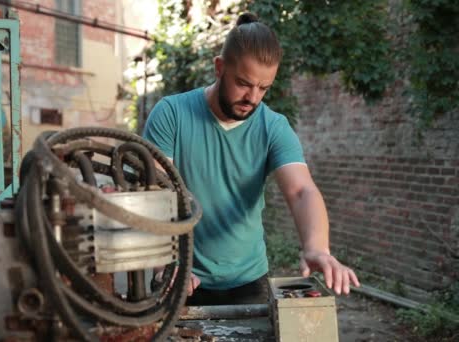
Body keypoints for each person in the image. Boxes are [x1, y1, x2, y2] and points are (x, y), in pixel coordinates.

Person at [143, 12, 360, 306]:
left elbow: (301, 191)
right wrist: (163, 264)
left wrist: (318, 248)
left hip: (249, 279)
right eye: (244, 83)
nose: (253, 98)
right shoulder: (171, 114)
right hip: (180, 276)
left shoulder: (273, 127)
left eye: (264, 87)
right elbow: (156, 196)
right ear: (220, 68)